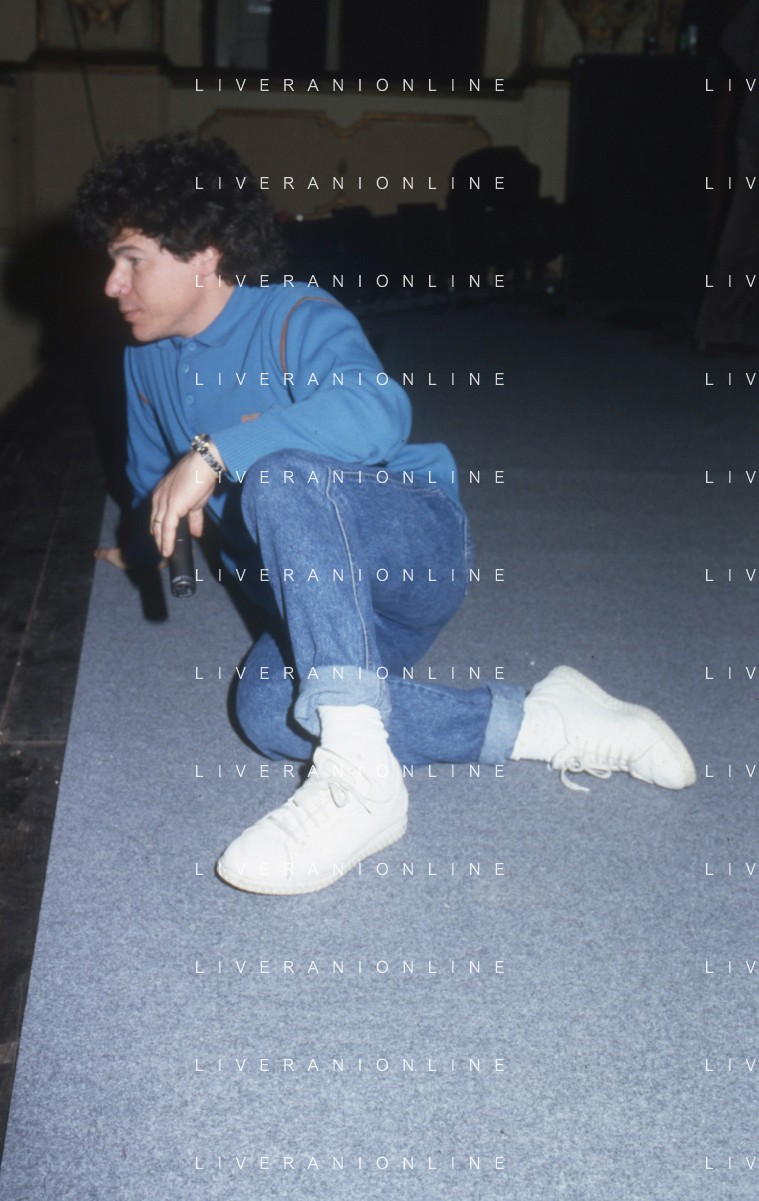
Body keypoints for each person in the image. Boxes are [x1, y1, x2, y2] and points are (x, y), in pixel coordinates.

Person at [73, 132, 696, 897]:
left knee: (277, 476)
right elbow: (153, 483)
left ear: (203, 253)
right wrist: (147, 541)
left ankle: (358, 784)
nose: (112, 283)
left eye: (131, 258)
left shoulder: (293, 314)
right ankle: (548, 722)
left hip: (410, 550)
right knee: (267, 712)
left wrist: (215, 454)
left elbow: (379, 411)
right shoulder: (143, 360)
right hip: (321, 608)